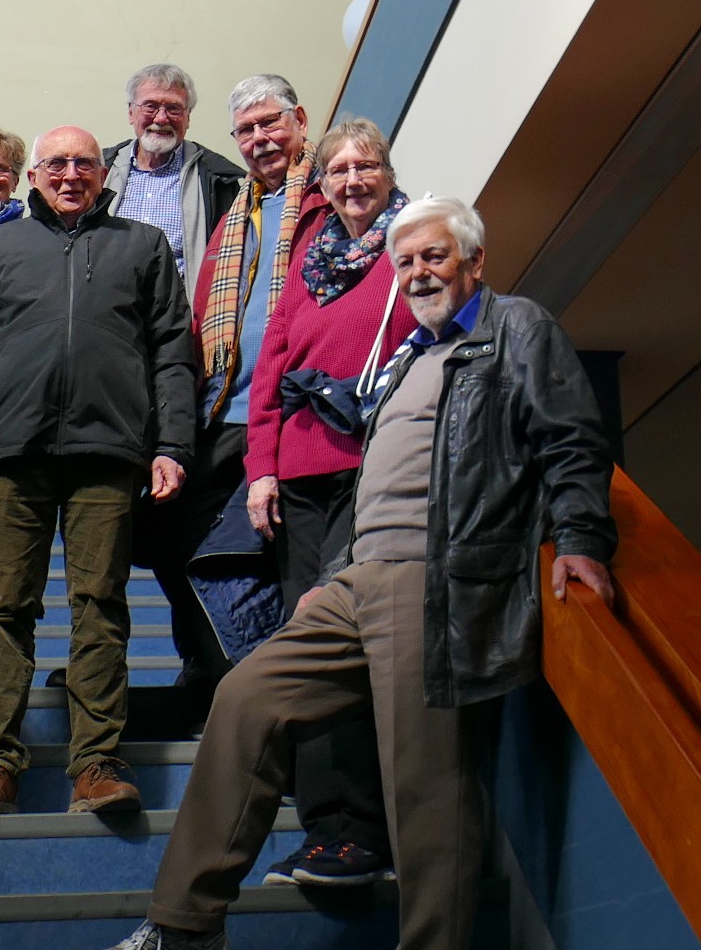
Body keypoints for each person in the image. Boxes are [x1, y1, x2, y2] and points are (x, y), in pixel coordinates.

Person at [106, 197, 618, 950]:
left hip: (433, 577)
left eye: (435, 257)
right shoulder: (406, 356)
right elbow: (372, 478)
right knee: (245, 699)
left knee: (425, 780)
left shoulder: (515, 328)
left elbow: (569, 439)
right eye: (405, 262)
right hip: (355, 579)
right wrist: (337, 567)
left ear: (475, 261)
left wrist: (580, 538)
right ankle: (185, 926)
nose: (418, 274)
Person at [0, 127, 197, 820]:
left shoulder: (143, 246)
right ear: (35, 177)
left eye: (84, 163)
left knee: (100, 605)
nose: (70, 174)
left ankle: (97, 764)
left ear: (103, 173)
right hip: (10, 453)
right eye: (56, 163)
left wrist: (172, 444)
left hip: (109, 453)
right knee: (5, 609)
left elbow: (173, 355)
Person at [241, 116, 408, 886]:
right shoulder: (308, 260)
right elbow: (270, 370)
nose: (351, 180)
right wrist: (261, 469)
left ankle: (368, 831)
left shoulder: (413, 245)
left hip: (380, 475)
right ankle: (328, 829)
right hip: (301, 481)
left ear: (387, 173)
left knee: (359, 645)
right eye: (337, 170)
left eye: (365, 166)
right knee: (308, 648)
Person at [137, 75, 314, 722]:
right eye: (245, 130)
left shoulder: (327, 199)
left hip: (294, 413)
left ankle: (262, 692)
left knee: (246, 554)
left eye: (271, 123)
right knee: (166, 529)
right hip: (222, 406)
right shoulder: (237, 210)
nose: (259, 138)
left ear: (300, 120)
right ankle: (208, 665)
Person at [102, 64, 245, 291]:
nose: (161, 118)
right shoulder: (100, 170)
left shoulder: (217, 180)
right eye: (150, 106)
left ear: (188, 117)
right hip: (111, 306)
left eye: (174, 109)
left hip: (180, 310)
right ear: (131, 113)